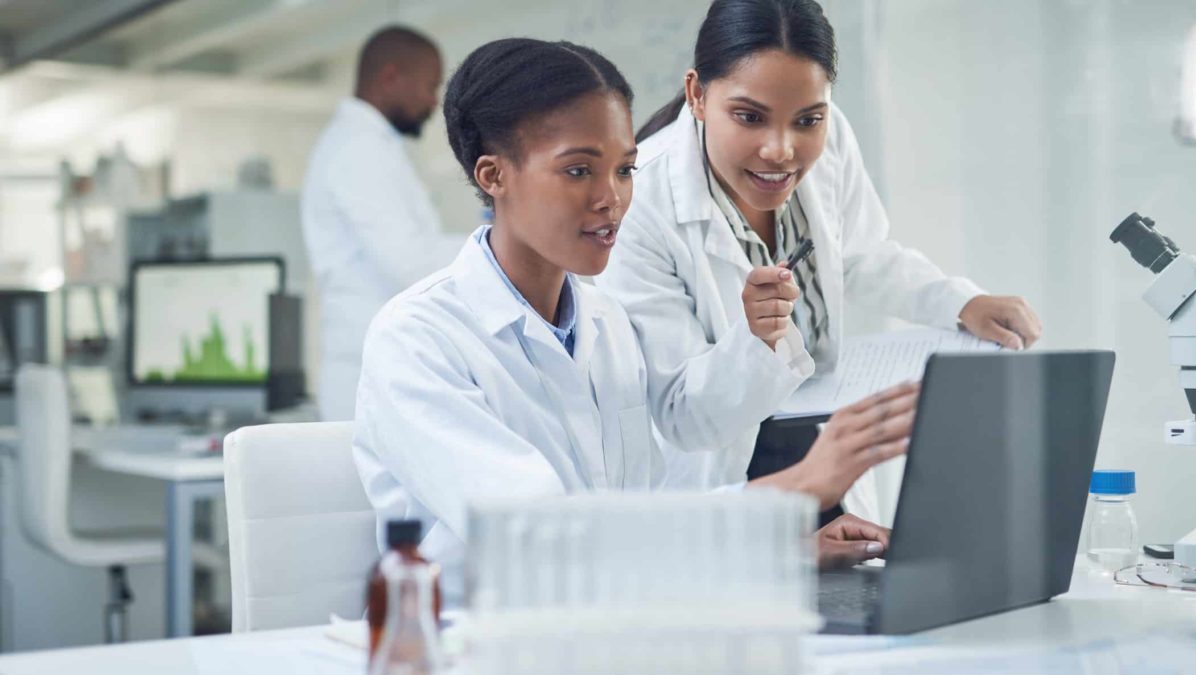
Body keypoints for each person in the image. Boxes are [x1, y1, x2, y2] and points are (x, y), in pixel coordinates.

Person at [353, 37, 918, 607]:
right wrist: (796, 487)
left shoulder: (606, 325)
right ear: (494, 176)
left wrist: (781, 549)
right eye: (578, 170)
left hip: (609, 627)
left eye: (625, 170)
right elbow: (543, 537)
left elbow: (643, 521)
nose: (612, 198)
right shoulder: (418, 339)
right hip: (479, 645)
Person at [596, 0, 1043, 519]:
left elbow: (859, 253)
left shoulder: (831, 139)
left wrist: (960, 302)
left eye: (807, 119)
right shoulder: (639, 202)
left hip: (819, 445)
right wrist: (756, 340)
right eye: (749, 117)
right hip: (721, 481)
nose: (781, 150)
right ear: (698, 94)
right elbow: (682, 416)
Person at [302, 26, 464, 421]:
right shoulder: (358, 150)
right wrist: (508, 243)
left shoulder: (371, 147)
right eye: (430, 86)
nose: (433, 101)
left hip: (379, 367)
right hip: (366, 374)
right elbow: (409, 263)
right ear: (390, 77)